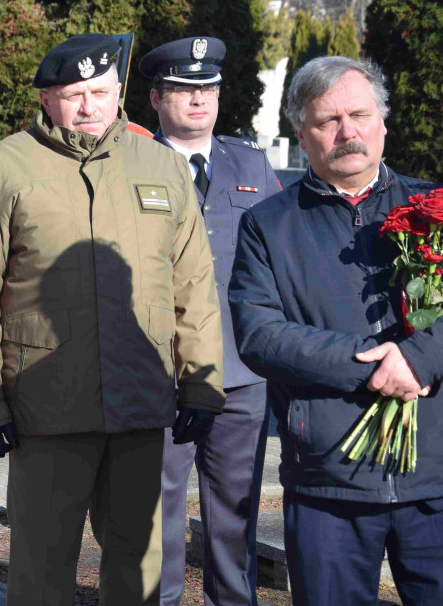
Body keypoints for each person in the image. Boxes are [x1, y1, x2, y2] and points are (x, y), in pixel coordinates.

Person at [0, 33, 225, 605]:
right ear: (47, 99)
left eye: (100, 91)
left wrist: (202, 385)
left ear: (119, 91)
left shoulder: (161, 167)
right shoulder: (3, 168)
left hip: (139, 405)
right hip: (46, 407)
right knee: (41, 567)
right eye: (73, 94)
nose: (89, 106)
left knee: (138, 564)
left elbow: (193, 285)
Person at [228, 55, 443, 606]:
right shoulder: (268, 226)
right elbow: (260, 333)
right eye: (327, 120)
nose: (347, 131)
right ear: (302, 133)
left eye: (359, 114)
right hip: (328, 481)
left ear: (383, 121)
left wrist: (420, 360)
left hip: (439, 477)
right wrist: (373, 363)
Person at [138, 36, 280, 606]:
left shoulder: (249, 162)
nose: (199, 100)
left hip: (240, 376)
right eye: (183, 90)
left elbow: (277, 258)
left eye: (208, 89)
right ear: (155, 97)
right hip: (158, 371)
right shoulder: (131, 164)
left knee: (234, 513)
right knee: (158, 513)